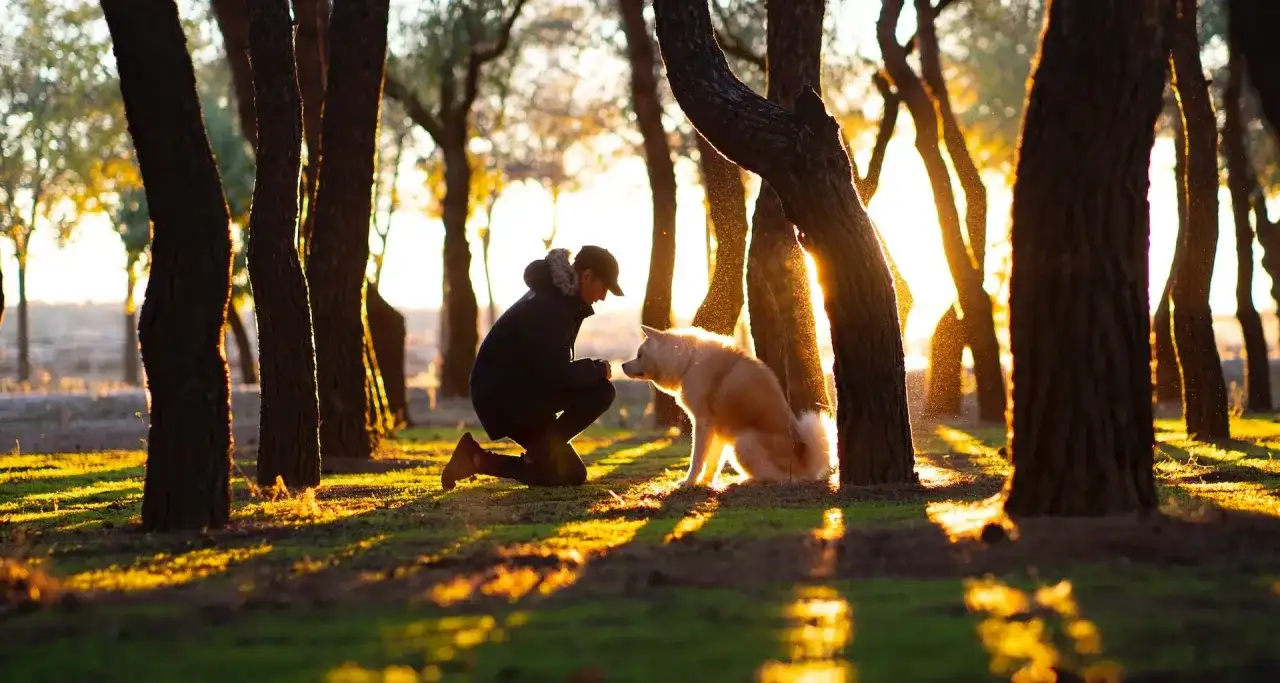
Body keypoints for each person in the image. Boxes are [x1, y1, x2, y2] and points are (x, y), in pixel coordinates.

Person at [441, 245, 623, 490]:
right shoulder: (550, 306)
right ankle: (540, 452)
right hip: (506, 397)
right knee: (601, 391)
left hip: (518, 393)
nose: (602, 297)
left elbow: (549, 369)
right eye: (604, 288)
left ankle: (475, 459)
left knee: (569, 474)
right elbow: (555, 374)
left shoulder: (560, 300)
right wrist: (597, 369)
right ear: (587, 276)